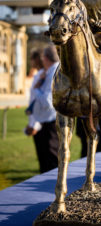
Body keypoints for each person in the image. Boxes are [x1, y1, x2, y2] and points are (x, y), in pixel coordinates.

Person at [27, 45, 60, 173]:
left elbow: (47, 101)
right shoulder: (47, 72)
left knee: (50, 162)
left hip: (49, 123)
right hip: (44, 121)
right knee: (45, 161)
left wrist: (36, 89)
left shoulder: (54, 72)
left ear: (45, 58)